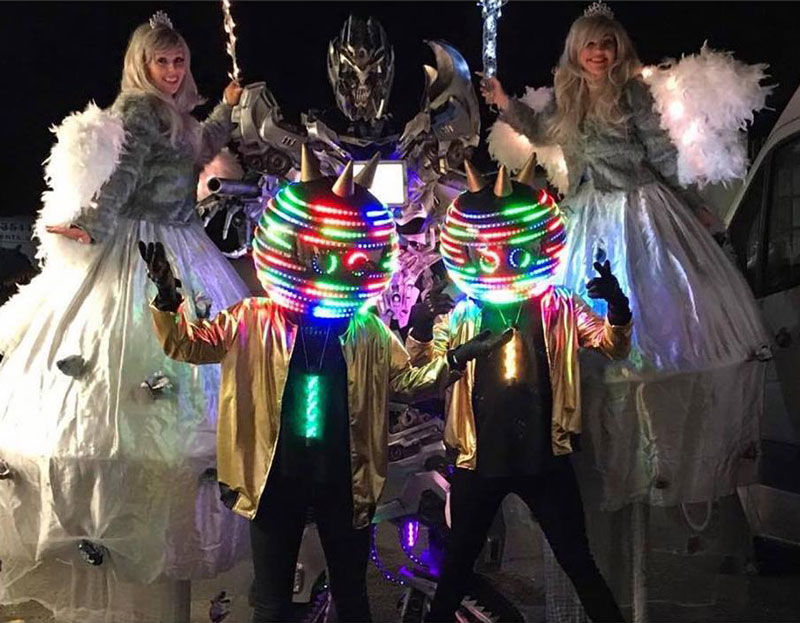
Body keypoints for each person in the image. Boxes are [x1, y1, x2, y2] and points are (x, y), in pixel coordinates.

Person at [140, 148, 511, 623]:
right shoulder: (254, 319)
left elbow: (407, 381)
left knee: (352, 596)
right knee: (272, 603)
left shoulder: (366, 329)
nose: (337, 266)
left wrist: (455, 356)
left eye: (352, 255)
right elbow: (188, 345)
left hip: (344, 481)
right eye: (321, 254)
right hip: (274, 478)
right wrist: (167, 301)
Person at [0, 12, 251, 621]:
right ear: (141, 64)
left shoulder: (177, 116)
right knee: (135, 360)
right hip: (144, 248)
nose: (172, 72)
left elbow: (203, 147)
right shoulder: (139, 113)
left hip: (184, 243)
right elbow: (123, 178)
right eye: (162, 62)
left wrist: (226, 105)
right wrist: (93, 224)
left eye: (179, 62)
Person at [479, 2, 769, 512]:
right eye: (590, 44)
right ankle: (596, 439)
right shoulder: (568, 98)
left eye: (607, 44)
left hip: (641, 209)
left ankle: (656, 444)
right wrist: (504, 101)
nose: (599, 53)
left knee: (652, 304)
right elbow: (542, 132)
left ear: (618, 49)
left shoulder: (634, 92)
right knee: (580, 313)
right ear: (576, 51)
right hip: (588, 211)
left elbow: (661, 154)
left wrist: (692, 204)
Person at [408, 164, 629, 622]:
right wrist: (421, 325)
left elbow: (612, 346)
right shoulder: (464, 313)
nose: (502, 259)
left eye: (515, 251)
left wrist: (618, 306)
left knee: (577, 560)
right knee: (456, 568)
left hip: (543, 460)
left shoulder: (559, 306)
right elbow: (423, 368)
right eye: (489, 253)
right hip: (477, 461)